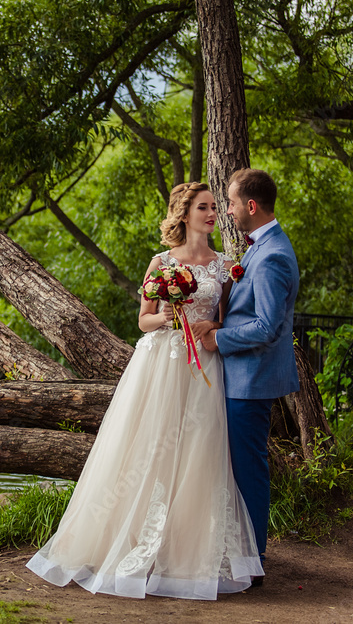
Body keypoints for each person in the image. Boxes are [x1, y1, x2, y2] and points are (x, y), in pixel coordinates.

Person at [27, 182, 263, 600]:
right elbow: (143, 320)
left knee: (199, 451)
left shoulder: (226, 267)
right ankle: (134, 542)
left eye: (214, 207)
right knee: (148, 448)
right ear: (184, 213)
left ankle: (187, 550)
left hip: (204, 366)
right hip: (159, 365)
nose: (212, 214)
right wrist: (170, 318)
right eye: (203, 208)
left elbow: (227, 321)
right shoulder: (161, 262)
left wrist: (210, 328)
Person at [202, 168, 300, 569]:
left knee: (249, 471)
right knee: (240, 468)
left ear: (251, 205)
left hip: (250, 381)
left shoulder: (273, 254)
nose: (228, 209)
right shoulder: (262, 246)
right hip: (241, 378)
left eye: (230, 202)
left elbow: (268, 326)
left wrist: (217, 339)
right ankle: (241, 552)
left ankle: (252, 560)